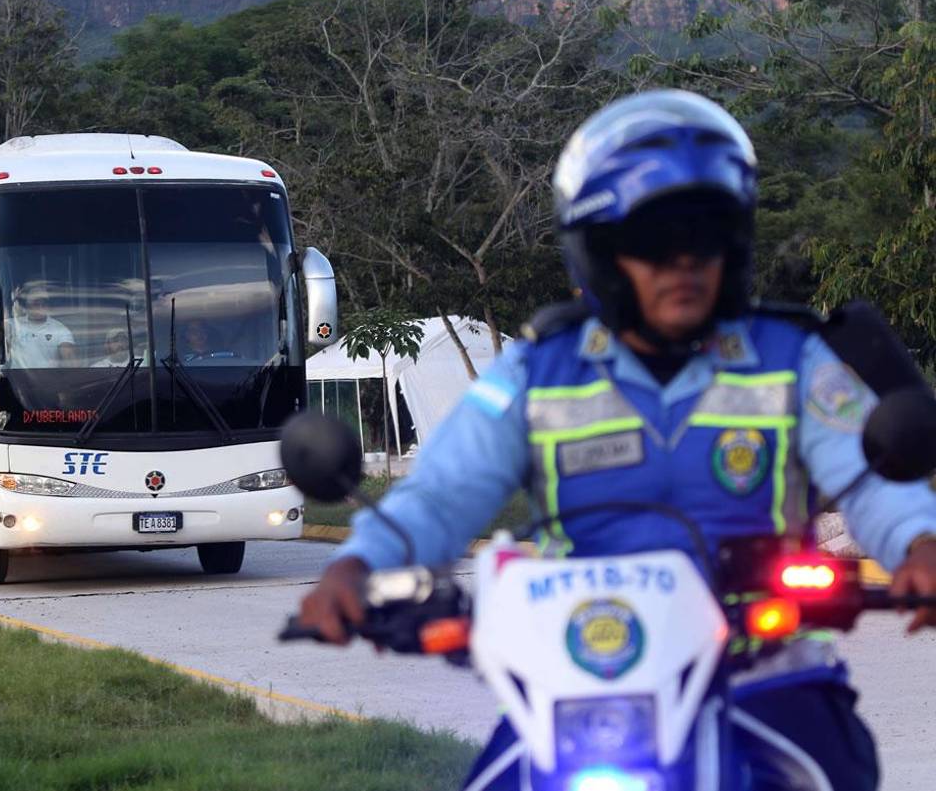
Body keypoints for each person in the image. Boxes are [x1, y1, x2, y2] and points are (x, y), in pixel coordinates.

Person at [297, 90, 936, 791]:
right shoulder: (536, 371)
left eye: (706, 237)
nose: (684, 262)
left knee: (831, 772)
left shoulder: (793, 358)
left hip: (763, 671)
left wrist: (918, 544)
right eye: (654, 242)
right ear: (599, 251)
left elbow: (876, 477)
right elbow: (442, 492)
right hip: (578, 679)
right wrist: (360, 563)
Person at [6, 284, 77, 368]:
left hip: (48, 376)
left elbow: (70, 360)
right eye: (35, 304)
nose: (40, 307)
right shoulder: (12, 325)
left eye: (43, 303)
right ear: (27, 305)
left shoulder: (60, 329)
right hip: (16, 376)